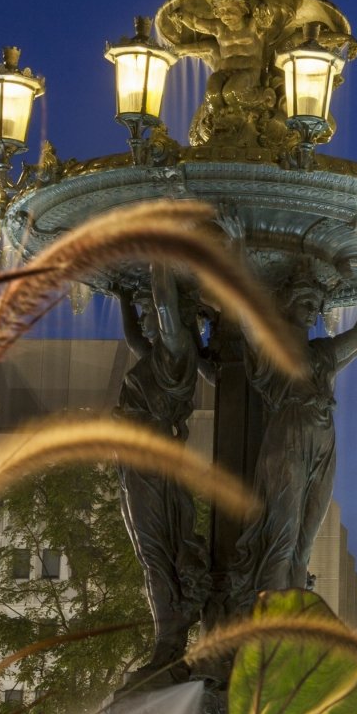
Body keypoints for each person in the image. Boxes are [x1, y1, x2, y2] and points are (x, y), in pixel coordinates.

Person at [232, 260, 357, 604]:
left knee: (306, 539)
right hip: (288, 435)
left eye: (316, 302)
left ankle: (294, 621)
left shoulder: (323, 353)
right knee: (282, 534)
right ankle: (269, 622)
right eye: (305, 300)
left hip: (324, 438)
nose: (314, 308)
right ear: (286, 303)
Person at [115, 271, 206, 680]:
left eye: (147, 309)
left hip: (151, 464)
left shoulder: (178, 347)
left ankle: (169, 643)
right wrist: (121, 299)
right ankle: (168, 640)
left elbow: (167, 307)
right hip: (137, 460)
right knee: (149, 553)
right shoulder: (157, 355)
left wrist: (160, 261)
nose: (145, 315)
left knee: (156, 555)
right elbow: (137, 339)